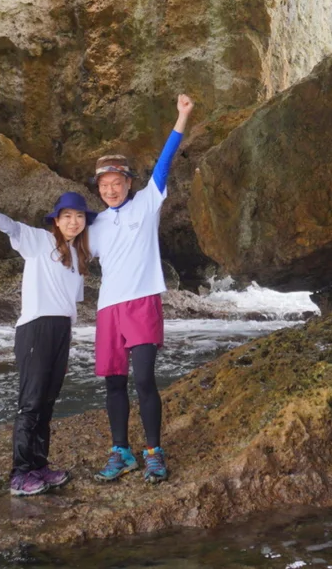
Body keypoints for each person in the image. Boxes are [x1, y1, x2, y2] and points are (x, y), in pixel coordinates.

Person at [0, 180, 92, 497]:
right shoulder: (40, 241)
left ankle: (39, 466)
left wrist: (67, 345)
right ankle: (19, 473)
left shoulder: (78, 256)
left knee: (47, 402)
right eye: (66, 216)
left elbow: (69, 307)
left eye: (79, 216)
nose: (73, 221)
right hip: (35, 328)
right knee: (30, 403)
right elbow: (9, 225)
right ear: (56, 220)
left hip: (60, 332)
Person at [86, 93, 193, 485]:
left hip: (142, 302)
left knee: (144, 378)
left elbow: (164, 164)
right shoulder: (94, 225)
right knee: (114, 381)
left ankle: (153, 451)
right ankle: (121, 450)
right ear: (98, 188)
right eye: (105, 185)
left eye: (117, 183)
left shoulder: (147, 203)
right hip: (108, 310)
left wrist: (181, 116)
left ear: (129, 183)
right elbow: (66, 249)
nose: (111, 190)